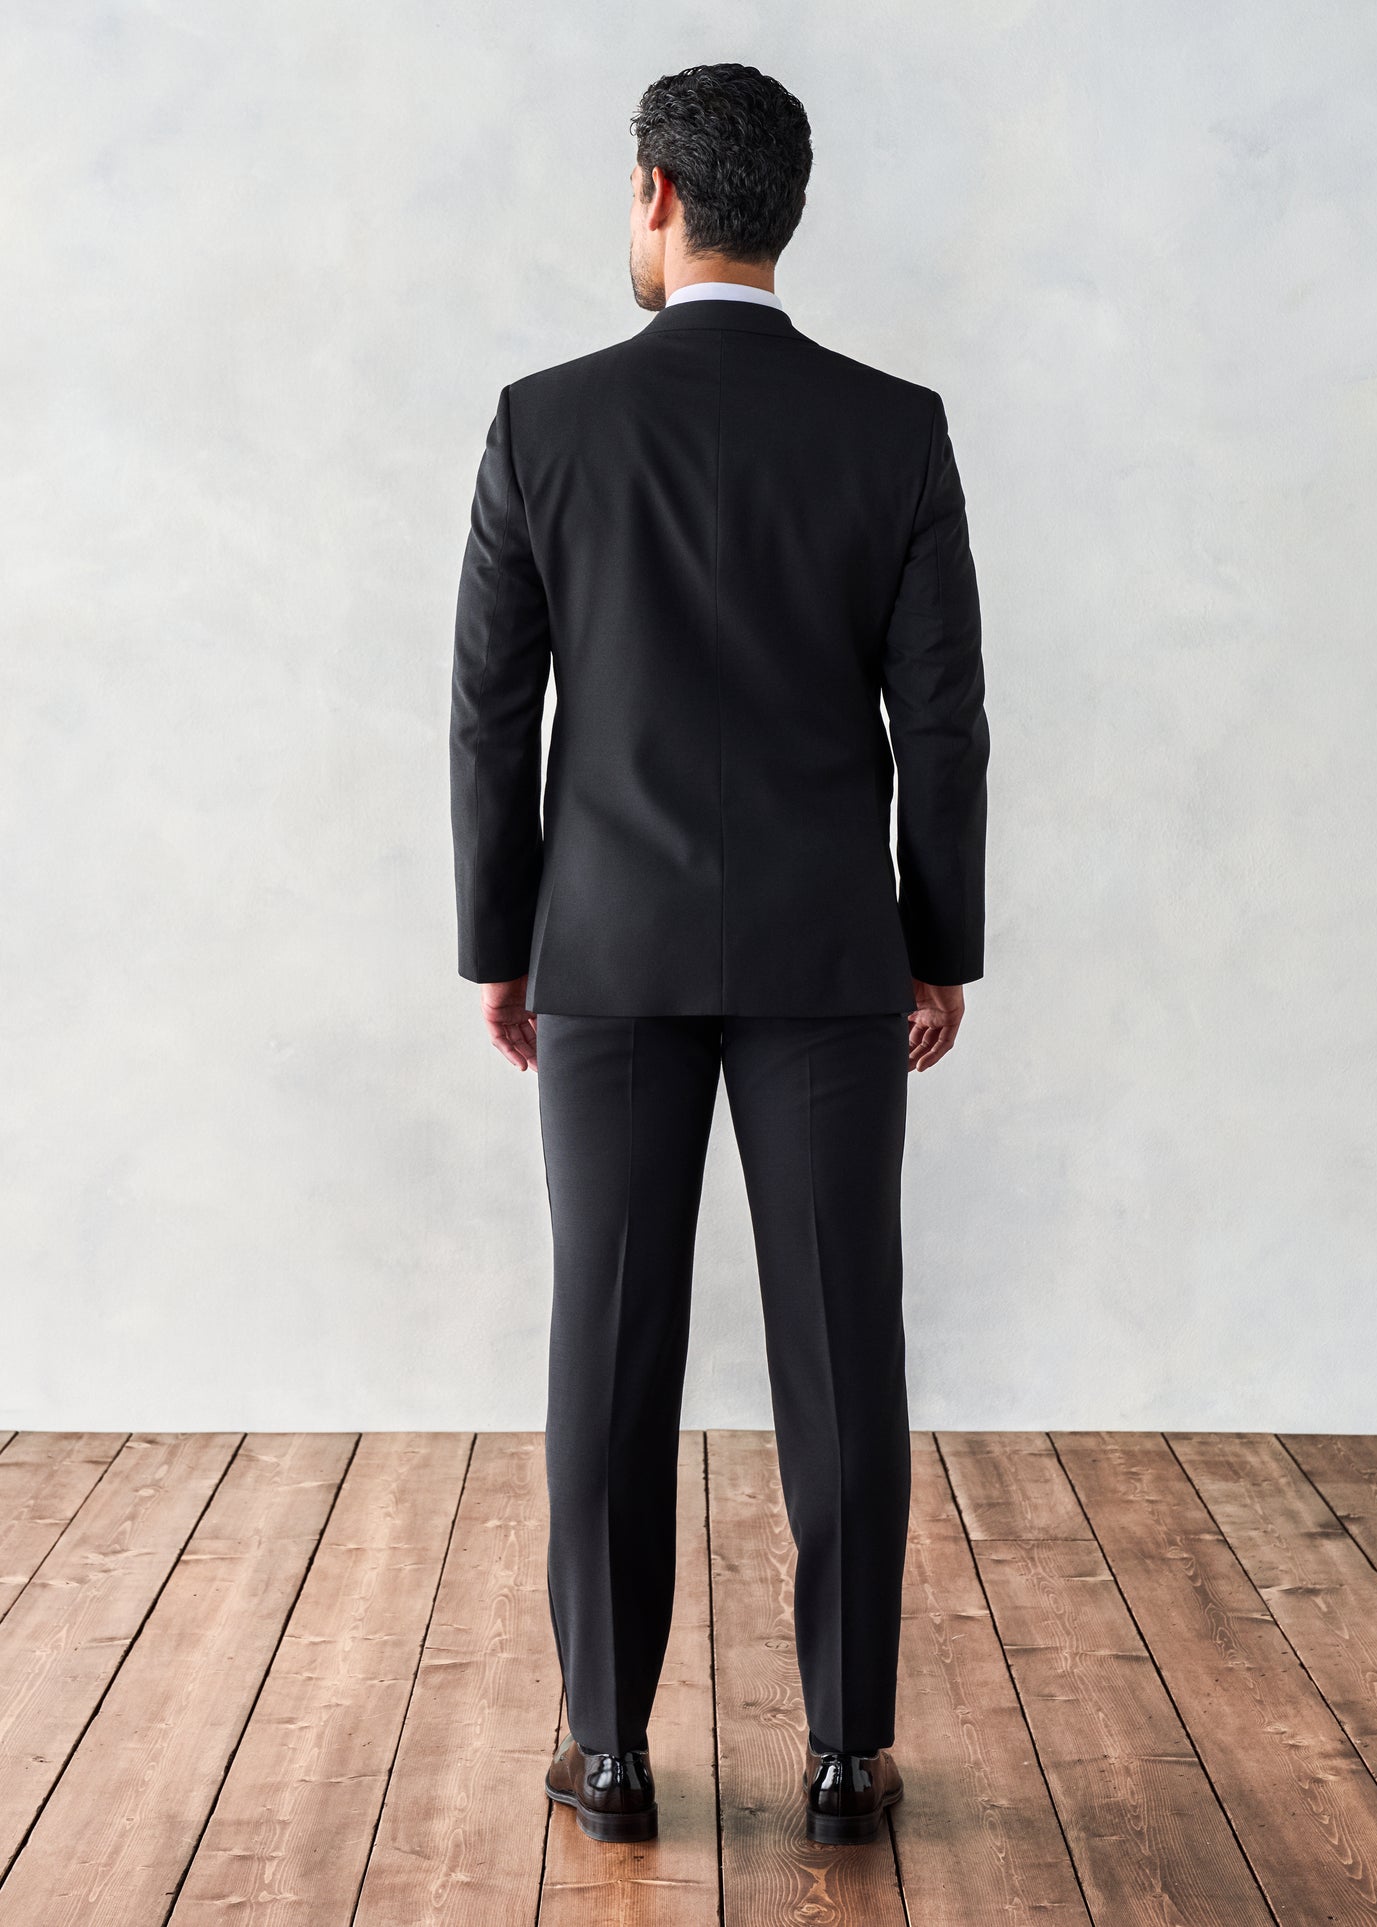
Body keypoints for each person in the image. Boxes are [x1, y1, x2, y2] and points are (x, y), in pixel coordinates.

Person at [449, 61, 989, 1847]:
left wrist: (497, 942)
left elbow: (486, 717)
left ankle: (607, 1752)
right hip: (833, 957)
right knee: (844, 1344)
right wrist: (940, 943)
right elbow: (947, 725)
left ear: (660, 196)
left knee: (605, 1342)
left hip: (599, 950)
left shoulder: (544, 423)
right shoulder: (892, 428)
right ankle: (844, 1755)